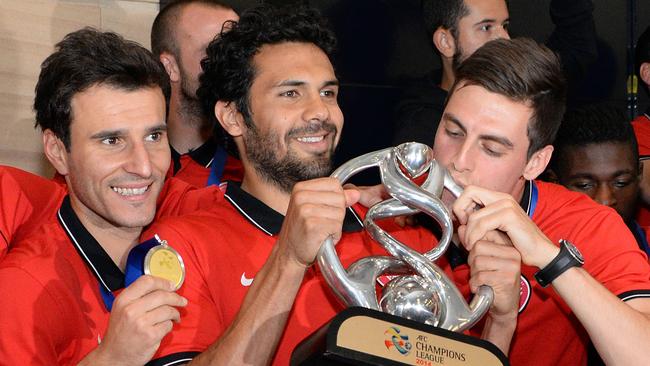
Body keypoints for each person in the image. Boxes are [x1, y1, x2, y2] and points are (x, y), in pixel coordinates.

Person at [143, 5, 521, 364]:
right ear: (233, 116)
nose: (320, 112)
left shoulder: (398, 236)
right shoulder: (184, 246)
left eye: (328, 92)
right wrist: (288, 258)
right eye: (291, 93)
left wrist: (501, 322)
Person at [0, 29, 222, 364]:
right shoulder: (22, 291)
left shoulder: (179, 236)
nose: (144, 166)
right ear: (58, 152)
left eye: (153, 135)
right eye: (111, 141)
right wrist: (112, 358)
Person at [433, 38, 650, 365]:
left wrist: (551, 258)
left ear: (535, 162)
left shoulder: (587, 225)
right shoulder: (387, 214)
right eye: (453, 131)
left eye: (491, 149)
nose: (459, 161)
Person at [392, 0, 597, 146]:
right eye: (486, 27)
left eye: (504, 25)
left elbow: (577, 48)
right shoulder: (420, 130)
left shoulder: (521, 83)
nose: (504, 38)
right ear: (446, 42)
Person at [151, 0, 243, 187]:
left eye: (235, 52)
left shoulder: (250, 171)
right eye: (212, 52)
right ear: (170, 66)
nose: (228, 65)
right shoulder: (133, 164)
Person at [548, 104, 650, 256]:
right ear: (554, 182)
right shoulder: (527, 259)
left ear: (639, 174)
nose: (605, 200)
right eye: (585, 185)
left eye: (621, 183)